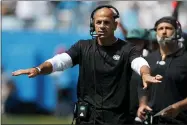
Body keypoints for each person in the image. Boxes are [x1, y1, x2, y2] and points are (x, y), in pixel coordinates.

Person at [12, 5, 162, 125]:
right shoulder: (82, 46)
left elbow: (139, 62)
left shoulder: (127, 49)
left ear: (115, 25)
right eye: (98, 22)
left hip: (117, 118)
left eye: (106, 22)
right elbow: (59, 61)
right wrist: (38, 69)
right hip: (87, 118)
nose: (102, 26)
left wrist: (145, 74)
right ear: (93, 24)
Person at [137, 16, 187, 124]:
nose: (164, 32)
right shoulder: (148, 59)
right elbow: (142, 86)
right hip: (152, 121)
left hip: (180, 121)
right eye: (160, 29)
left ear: (177, 32)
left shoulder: (185, 59)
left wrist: (178, 107)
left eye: (168, 28)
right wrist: (143, 104)